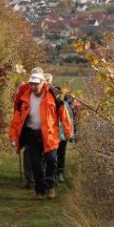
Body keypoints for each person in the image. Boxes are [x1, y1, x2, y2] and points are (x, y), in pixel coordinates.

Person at [8, 68, 73, 200]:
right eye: (31, 84)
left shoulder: (53, 95)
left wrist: (67, 132)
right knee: (36, 164)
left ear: (43, 83)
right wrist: (13, 137)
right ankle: (40, 191)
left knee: (51, 162)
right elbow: (16, 120)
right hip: (31, 135)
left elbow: (64, 114)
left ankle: (50, 187)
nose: (33, 86)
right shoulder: (24, 98)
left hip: (49, 135)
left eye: (36, 84)